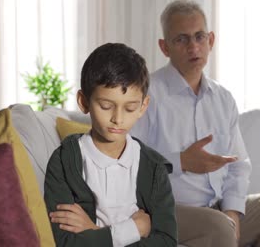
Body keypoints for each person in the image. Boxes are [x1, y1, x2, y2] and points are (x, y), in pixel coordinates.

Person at [131, 0, 260, 247]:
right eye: (181, 39)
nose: (193, 46)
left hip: (218, 211)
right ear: (165, 47)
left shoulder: (223, 98)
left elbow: (238, 165)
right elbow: (128, 162)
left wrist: (233, 211)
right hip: (167, 211)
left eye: (199, 37)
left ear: (211, 41)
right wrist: (181, 161)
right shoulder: (145, 94)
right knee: (218, 227)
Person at [44, 43, 177, 247]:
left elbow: (167, 241)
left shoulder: (154, 167)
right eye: (106, 106)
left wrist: (94, 232)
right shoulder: (64, 160)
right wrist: (134, 229)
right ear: (83, 101)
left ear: (143, 106)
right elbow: (66, 243)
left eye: (130, 108)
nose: (118, 119)